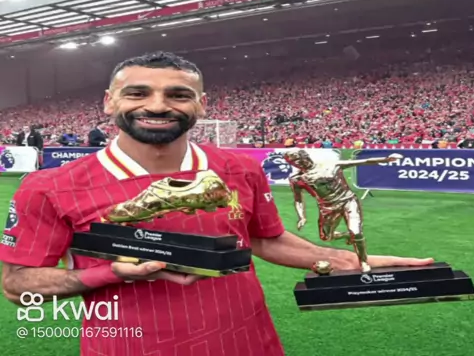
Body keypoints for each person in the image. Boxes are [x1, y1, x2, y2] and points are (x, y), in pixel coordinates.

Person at [0, 51, 434, 356]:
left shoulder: (238, 168)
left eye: (178, 94)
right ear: (109, 101)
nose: (158, 106)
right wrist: (109, 273)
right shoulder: (49, 186)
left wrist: (346, 261)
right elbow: (17, 287)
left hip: (249, 343)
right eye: (137, 93)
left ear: (201, 105)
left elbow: (264, 239)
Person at [283, 149, 403, 273]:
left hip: (348, 201)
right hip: (328, 208)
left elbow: (363, 161)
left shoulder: (331, 165)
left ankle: (363, 261)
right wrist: (301, 216)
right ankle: (346, 235)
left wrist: (386, 159)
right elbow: (298, 199)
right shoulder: (297, 179)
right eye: (293, 163)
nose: (298, 164)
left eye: (298, 160)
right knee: (326, 237)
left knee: (356, 232)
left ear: (305, 156)